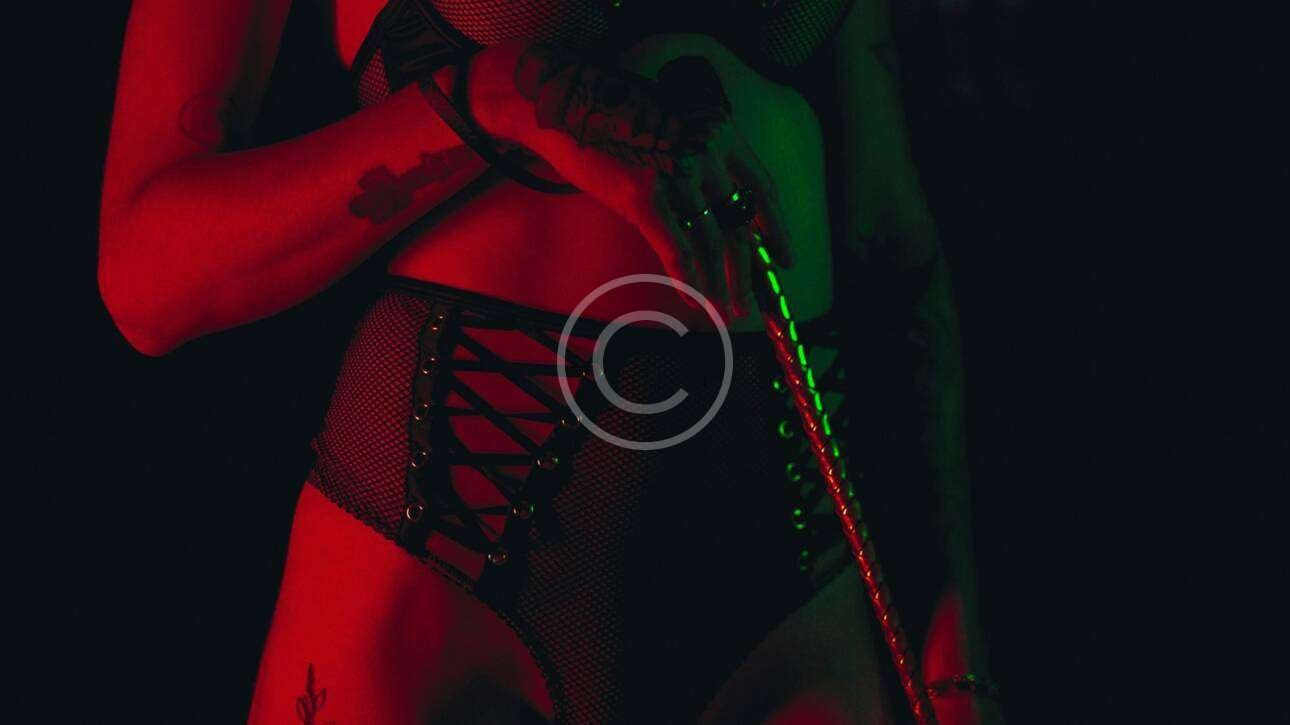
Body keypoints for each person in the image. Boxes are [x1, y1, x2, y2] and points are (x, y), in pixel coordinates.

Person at [99, 0, 999, 722]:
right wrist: (486, 102)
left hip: (794, 584)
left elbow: (897, 258)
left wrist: (956, 647)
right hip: (445, 570)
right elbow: (146, 275)